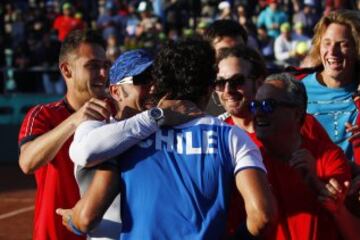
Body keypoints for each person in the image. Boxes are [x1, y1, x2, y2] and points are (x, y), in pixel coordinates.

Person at [57, 39, 277, 239]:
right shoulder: (232, 137)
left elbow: (87, 216)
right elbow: (262, 217)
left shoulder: (127, 138)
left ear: (160, 83)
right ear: (209, 88)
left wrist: (74, 221)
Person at [215, 46, 356, 239]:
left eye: (269, 105)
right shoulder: (245, 161)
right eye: (256, 105)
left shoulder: (326, 156)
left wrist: (319, 188)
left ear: (298, 113)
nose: (259, 112)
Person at [67, 49, 202, 239]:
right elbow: (85, 152)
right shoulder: (94, 126)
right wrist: (155, 116)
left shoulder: (163, 132)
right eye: (142, 79)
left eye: (157, 79)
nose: (154, 87)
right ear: (116, 91)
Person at [18, 29, 112, 240]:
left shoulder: (118, 113)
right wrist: (74, 120)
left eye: (105, 66)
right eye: (93, 66)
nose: (104, 74)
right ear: (67, 70)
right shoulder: (43, 115)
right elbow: (27, 162)